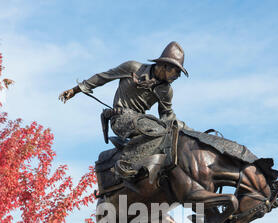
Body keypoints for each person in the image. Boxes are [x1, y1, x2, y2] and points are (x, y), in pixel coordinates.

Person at [59, 41, 189, 179]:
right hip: (121, 119)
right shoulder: (133, 67)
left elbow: (167, 115)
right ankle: (125, 165)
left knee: (168, 135)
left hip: (142, 122)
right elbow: (103, 77)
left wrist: (189, 132)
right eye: (177, 72)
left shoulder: (166, 90)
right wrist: (75, 90)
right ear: (165, 66)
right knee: (158, 130)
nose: (178, 76)